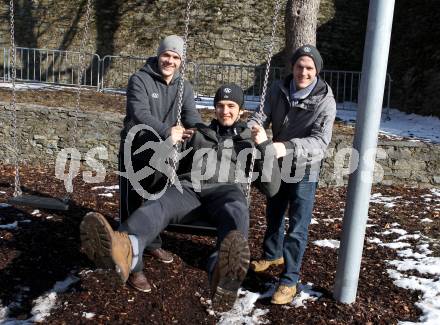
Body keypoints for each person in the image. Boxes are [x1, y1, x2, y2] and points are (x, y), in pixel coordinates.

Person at [81, 84, 280, 312]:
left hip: (227, 193)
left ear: (241, 111)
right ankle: (127, 248)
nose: (225, 111)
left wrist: (265, 145)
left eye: (231, 106)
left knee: (238, 209)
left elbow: (271, 188)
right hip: (189, 189)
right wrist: (170, 142)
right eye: (221, 106)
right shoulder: (197, 134)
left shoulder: (249, 142)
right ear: (214, 108)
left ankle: (223, 273)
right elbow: (156, 172)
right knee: (160, 202)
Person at [248, 44, 336, 304]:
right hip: (278, 161)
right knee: (274, 211)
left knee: (297, 225)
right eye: (300, 66)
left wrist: (283, 147)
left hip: (305, 167)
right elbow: (261, 115)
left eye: (309, 68)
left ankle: (290, 280)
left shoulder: (325, 100)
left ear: (317, 70)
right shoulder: (279, 88)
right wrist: (252, 127)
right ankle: (272, 253)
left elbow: (320, 142)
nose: (304, 72)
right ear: (293, 67)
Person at [119, 35, 203, 264]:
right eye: (166, 55)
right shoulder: (139, 79)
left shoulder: (183, 86)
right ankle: (127, 256)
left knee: (156, 199)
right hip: (135, 149)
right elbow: (140, 113)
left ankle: (152, 243)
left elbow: (191, 115)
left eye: (176, 57)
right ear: (159, 54)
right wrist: (167, 130)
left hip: (163, 152)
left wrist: (200, 131)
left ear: (180, 61)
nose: (170, 61)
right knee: (132, 202)